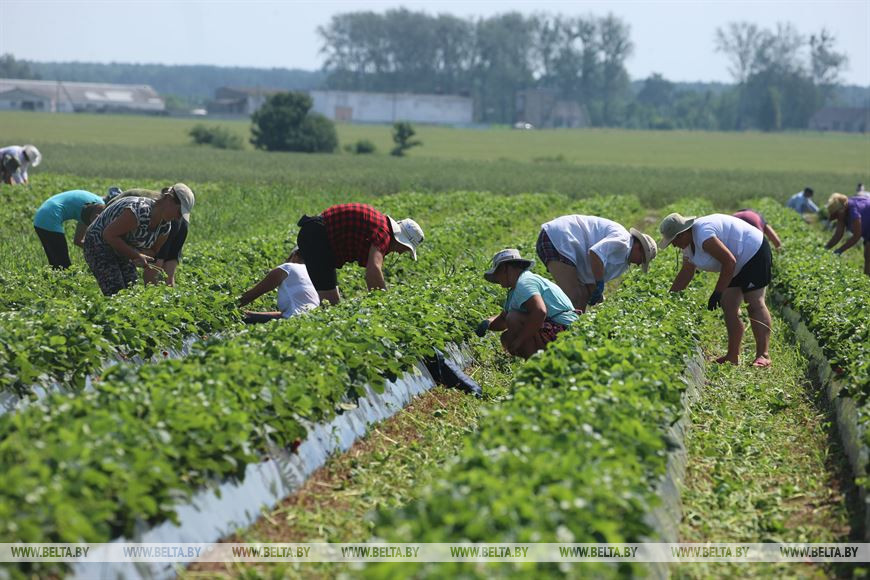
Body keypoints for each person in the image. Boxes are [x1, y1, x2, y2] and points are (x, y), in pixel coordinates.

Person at [659, 212, 773, 367]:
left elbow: (729, 262)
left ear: (683, 233)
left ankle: (763, 355)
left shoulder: (703, 234)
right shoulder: (687, 245)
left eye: (674, 240)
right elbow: (686, 272)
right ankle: (733, 356)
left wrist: (717, 292)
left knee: (754, 303)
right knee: (729, 305)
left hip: (753, 252)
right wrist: (669, 300)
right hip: (735, 261)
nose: (673, 245)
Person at [295, 203, 424, 305]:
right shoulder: (384, 234)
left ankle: (281, 315)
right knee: (331, 305)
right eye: (404, 248)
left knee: (292, 280)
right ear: (399, 240)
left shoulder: (381, 224)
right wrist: (383, 304)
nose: (401, 252)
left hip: (314, 233)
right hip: (318, 239)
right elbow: (373, 270)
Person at [83, 184, 194, 296]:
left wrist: (142, 256)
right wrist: (135, 254)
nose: (179, 218)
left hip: (122, 248)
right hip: (98, 243)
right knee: (116, 291)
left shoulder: (165, 227)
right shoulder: (139, 211)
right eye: (179, 212)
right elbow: (109, 235)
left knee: (131, 289)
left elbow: (153, 251)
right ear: (169, 199)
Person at [535, 215, 657, 311]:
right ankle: (552, 328)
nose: (638, 264)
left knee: (582, 296)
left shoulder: (624, 254)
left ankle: (573, 331)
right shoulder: (623, 241)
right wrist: (599, 283)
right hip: (558, 238)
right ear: (638, 247)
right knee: (575, 296)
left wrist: (597, 294)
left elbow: (591, 274)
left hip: (565, 242)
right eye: (642, 260)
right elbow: (595, 253)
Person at [476, 249, 579, 359]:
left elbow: (539, 312)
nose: (497, 278)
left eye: (497, 273)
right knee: (507, 338)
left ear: (505, 268)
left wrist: (520, 341)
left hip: (566, 332)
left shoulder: (525, 282)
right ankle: (541, 361)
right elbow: (503, 320)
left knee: (514, 318)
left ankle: (536, 365)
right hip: (556, 328)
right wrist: (487, 323)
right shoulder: (515, 290)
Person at [105, 187, 189, 287]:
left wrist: (134, 254)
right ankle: (168, 297)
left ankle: (153, 296)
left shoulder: (117, 204)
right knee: (169, 272)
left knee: (154, 265)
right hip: (183, 223)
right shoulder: (167, 205)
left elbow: (110, 233)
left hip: (166, 219)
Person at [238, 248, 320, 323]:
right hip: (313, 318)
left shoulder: (287, 267)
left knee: (239, 316)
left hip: (294, 320)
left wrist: (229, 307)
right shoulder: (315, 274)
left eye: (288, 258)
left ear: (295, 256)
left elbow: (248, 297)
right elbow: (296, 310)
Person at [33, 189, 105, 268]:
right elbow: (97, 228)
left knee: (56, 264)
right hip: (50, 216)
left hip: (39, 217)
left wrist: (96, 250)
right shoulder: (99, 206)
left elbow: (78, 240)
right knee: (63, 265)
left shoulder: (90, 204)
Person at [825, 193, 870, 276]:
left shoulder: (853, 211)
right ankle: (867, 280)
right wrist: (826, 248)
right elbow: (838, 234)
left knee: (868, 253)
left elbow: (857, 236)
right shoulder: (842, 213)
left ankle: (866, 280)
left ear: (841, 210)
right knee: (867, 256)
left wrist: (840, 250)